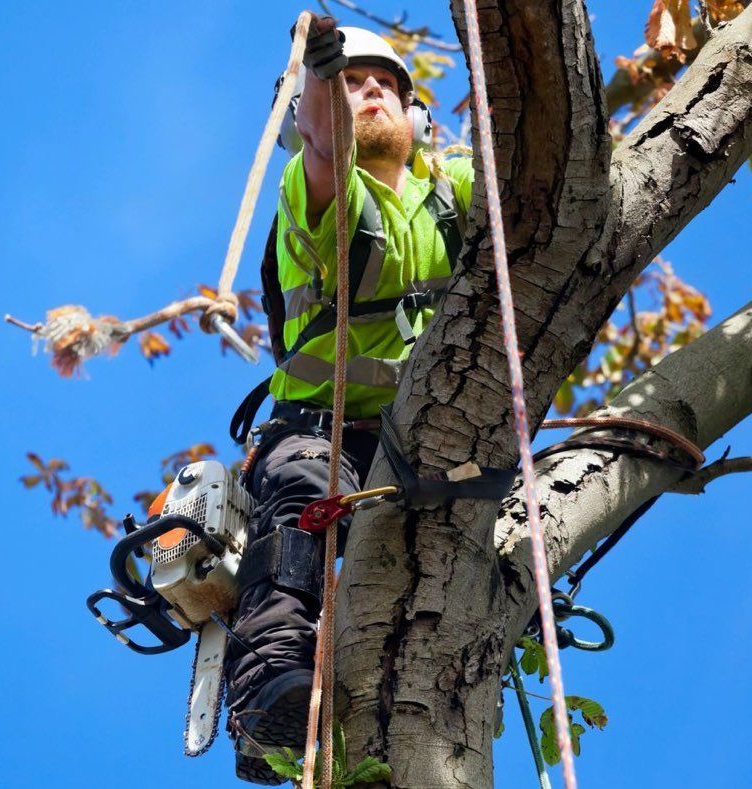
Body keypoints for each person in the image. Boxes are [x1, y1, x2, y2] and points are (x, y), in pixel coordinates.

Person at [225, 16, 474, 784]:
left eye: (386, 86)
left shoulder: (453, 186)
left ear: (420, 119)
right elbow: (327, 137)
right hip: (318, 426)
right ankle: (271, 686)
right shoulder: (311, 186)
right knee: (302, 503)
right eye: (353, 83)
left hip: (425, 435)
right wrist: (323, 73)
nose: (368, 94)